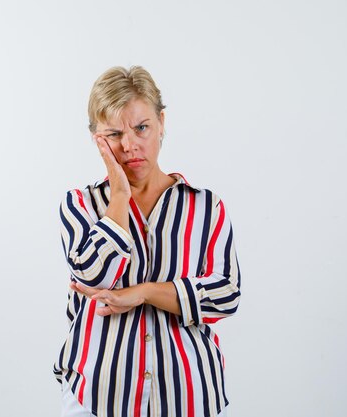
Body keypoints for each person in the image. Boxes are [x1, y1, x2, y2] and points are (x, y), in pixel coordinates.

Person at [53, 66, 241, 417]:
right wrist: (120, 196)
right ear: (97, 138)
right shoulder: (80, 205)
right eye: (113, 134)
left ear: (162, 124)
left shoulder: (205, 206)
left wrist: (143, 292)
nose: (129, 146)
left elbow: (225, 295)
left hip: (188, 395)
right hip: (99, 396)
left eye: (142, 128)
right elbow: (94, 277)